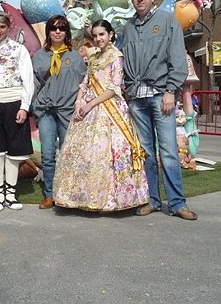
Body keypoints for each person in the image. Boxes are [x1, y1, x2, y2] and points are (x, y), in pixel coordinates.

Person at [53, 19, 149, 211]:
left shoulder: (116, 56)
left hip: (109, 109)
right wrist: (79, 102)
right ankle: (83, 196)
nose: (98, 39)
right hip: (88, 108)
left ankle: (113, 199)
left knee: (108, 151)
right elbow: (85, 82)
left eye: (102, 34)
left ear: (111, 35)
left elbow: (113, 87)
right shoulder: (93, 57)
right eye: (95, 35)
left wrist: (90, 104)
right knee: (84, 153)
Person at [122, 0, 198, 220]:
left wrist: (170, 91)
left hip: (160, 96)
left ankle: (177, 203)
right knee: (145, 153)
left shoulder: (167, 22)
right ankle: (152, 200)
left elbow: (177, 58)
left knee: (168, 152)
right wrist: (127, 89)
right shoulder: (128, 27)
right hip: (137, 99)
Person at [0, 10, 34, 212]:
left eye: (2, 27)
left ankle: (11, 194)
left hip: (13, 103)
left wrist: (24, 107)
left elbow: (28, 79)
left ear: (8, 28)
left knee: (14, 153)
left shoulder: (19, 50)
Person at [32, 15, 86, 209]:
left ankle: (68, 193)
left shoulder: (75, 57)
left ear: (67, 32)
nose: (57, 31)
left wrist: (80, 106)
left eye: (62, 28)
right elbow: (33, 84)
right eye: (54, 28)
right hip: (46, 111)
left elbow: (84, 83)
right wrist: (34, 106)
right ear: (48, 31)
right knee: (48, 154)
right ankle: (50, 194)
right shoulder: (39, 56)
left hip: (67, 111)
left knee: (68, 154)